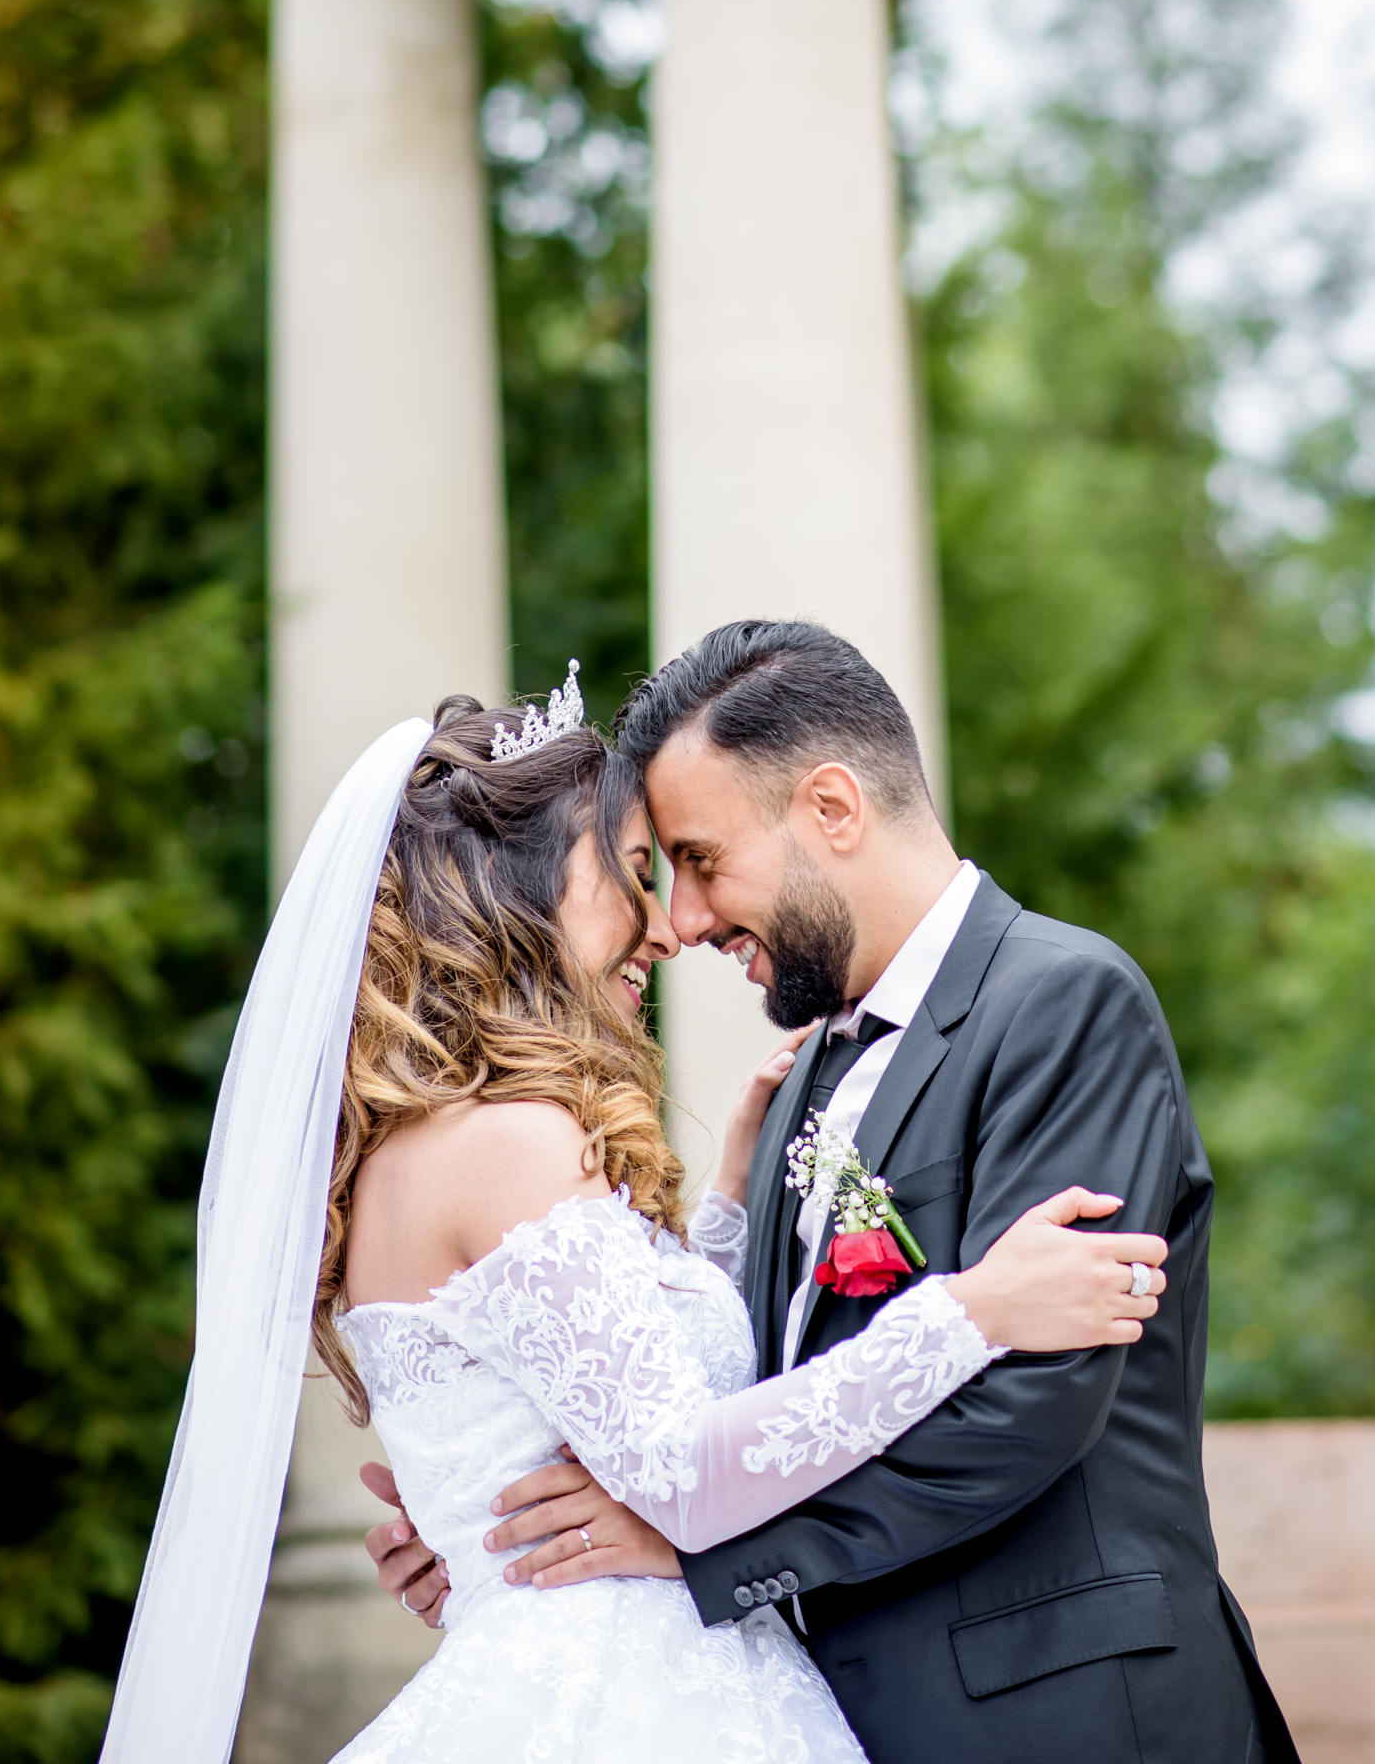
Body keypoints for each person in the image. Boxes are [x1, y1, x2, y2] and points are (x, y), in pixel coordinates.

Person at [102, 675, 1168, 1764]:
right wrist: (969, 1310)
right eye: (635, 875)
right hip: (639, 1695)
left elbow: (612, 1376)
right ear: (514, 888)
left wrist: (727, 1207)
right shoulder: (511, 1141)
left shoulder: (415, 1149)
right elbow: (685, 1480)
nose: (667, 927)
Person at [372, 623, 1299, 1764]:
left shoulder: (1063, 1003)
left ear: (831, 809)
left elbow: (1031, 1402)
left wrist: (689, 1546)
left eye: (702, 860)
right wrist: (492, 1515)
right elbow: (745, 1388)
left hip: (1064, 1704)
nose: (689, 920)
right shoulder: (804, 1078)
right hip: (844, 1706)